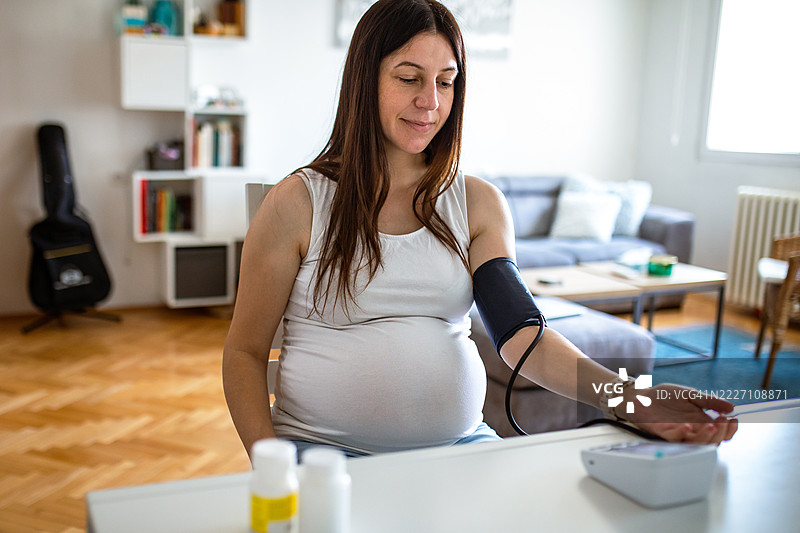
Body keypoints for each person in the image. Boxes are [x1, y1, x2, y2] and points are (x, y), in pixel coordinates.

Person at [222, 0, 738, 459]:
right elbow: (244, 352)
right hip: (323, 458)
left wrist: (634, 399)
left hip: (463, 449)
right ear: (364, 80)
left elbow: (520, 336)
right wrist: (273, 469)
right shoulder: (299, 202)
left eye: (446, 81)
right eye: (409, 78)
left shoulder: (477, 203)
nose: (431, 101)